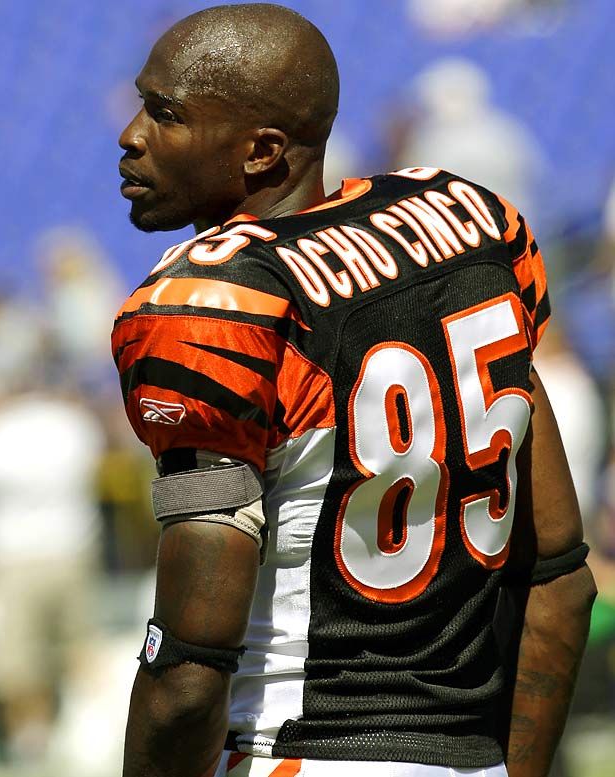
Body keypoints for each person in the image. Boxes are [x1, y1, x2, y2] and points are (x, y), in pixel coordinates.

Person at [112, 4, 596, 776]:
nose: (132, 134)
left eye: (165, 115)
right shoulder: (475, 234)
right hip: (471, 756)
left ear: (262, 150)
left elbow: (190, 675)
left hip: (295, 746)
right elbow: (563, 587)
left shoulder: (219, 301)